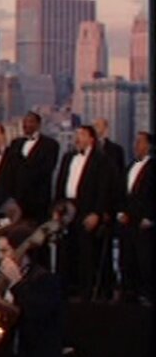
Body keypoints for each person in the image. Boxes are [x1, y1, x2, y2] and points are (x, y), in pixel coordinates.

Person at [0, 222, 65, 357]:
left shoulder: (44, 279)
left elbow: (36, 314)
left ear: (21, 252)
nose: (1, 258)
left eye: (5, 251)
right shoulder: (2, 279)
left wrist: (17, 282)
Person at [54, 125, 120, 299]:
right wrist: (56, 209)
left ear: (91, 139)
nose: (77, 138)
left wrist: (97, 213)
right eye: (76, 135)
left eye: (82, 135)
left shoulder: (101, 160)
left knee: (86, 254)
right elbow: (60, 184)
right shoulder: (68, 157)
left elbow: (103, 189)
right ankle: (66, 291)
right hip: (67, 209)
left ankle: (86, 294)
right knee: (66, 252)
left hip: (87, 209)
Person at [117, 132, 153, 303]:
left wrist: (150, 217)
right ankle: (128, 292)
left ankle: (146, 294)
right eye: (135, 142)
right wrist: (120, 212)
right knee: (127, 258)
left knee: (144, 260)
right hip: (127, 221)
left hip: (144, 223)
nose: (135, 145)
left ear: (148, 146)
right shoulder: (130, 166)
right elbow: (121, 193)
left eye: (139, 142)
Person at [12, 112, 60, 222]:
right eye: (24, 122)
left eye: (30, 121)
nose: (25, 125)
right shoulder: (15, 144)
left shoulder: (50, 145)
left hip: (39, 202)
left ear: (38, 125)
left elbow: (46, 170)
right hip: (17, 202)